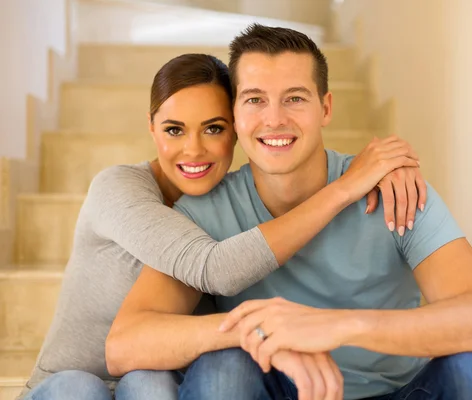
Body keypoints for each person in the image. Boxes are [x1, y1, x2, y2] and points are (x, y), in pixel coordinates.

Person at [108, 24, 472, 400]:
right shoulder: (205, 211)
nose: (274, 119)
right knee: (222, 369)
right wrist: (261, 329)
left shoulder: (397, 189)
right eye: (255, 100)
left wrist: (341, 325)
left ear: (325, 108)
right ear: (235, 114)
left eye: (294, 98)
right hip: (280, 389)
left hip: (403, 392)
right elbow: (126, 343)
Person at [19, 51, 425, 400]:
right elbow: (214, 268)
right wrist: (345, 188)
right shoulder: (118, 187)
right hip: (68, 385)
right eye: (174, 129)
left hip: (157, 376)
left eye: (213, 128)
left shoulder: (227, 208)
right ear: (151, 127)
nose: (193, 149)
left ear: (236, 128)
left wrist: (382, 169)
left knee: (155, 383)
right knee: (80, 387)